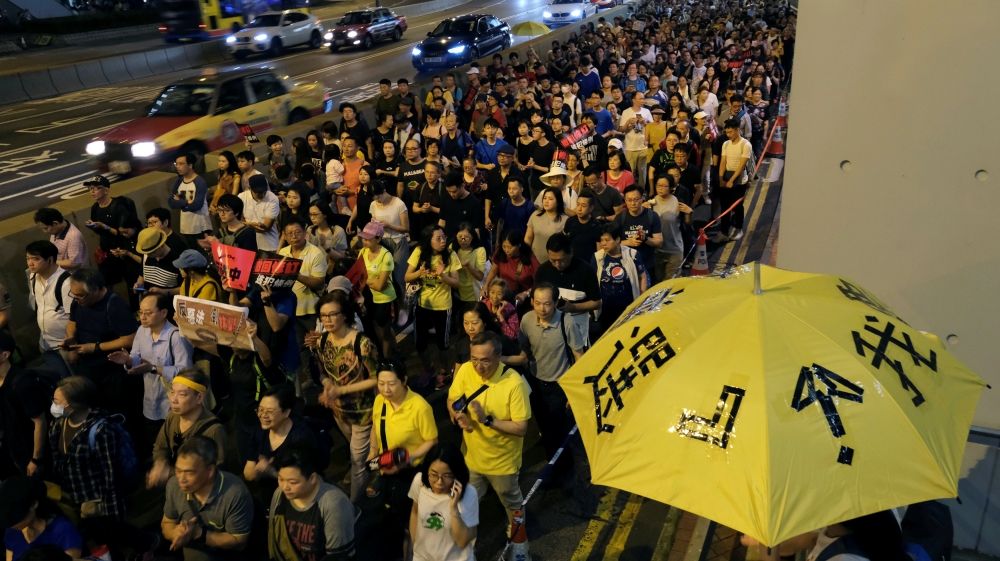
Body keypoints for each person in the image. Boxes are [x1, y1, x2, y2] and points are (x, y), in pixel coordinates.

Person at [446, 332, 530, 529]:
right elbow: (452, 400)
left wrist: (487, 420)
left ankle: (519, 543)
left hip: (502, 464)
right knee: (464, 507)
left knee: (513, 506)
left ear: (499, 357)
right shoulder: (466, 370)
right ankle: (466, 550)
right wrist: (458, 415)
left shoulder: (514, 384)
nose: (478, 366)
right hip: (471, 459)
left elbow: (521, 428)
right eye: (474, 359)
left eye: (485, 360)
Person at [309, 291, 379, 503]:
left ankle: (353, 505)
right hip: (339, 411)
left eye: (332, 314)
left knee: (358, 461)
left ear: (345, 314)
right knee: (354, 452)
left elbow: (376, 379)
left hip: (364, 412)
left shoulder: (362, 343)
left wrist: (340, 390)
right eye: (323, 316)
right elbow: (322, 372)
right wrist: (328, 384)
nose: (327, 320)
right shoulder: (321, 342)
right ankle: (371, 471)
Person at [514, 282, 584, 481]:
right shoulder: (527, 320)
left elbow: (579, 357)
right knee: (544, 427)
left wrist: (573, 391)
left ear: (555, 303)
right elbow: (524, 347)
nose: (542, 309)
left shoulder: (567, 323)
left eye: (547, 304)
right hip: (535, 383)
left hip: (559, 387)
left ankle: (564, 471)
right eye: (537, 303)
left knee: (558, 431)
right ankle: (555, 465)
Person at [107, 292, 192, 455]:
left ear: (164, 313)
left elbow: (185, 371)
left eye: (148, 313)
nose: (143, 317)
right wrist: (128, 360)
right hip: (151, 403)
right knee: (158, 446)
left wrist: (153, 368)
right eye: (140, 312)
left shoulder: (176, 336)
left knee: (180, 448)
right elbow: (137, 357)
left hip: (174, 403)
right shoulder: (142, 332)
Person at [369, 360, 437, 559]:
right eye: (381, 383)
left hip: (411, 472)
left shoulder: (419, 407)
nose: (385, 389)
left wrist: (408, 459)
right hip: (387, 466)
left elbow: (431, 440)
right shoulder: (380, 401)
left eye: (391, 384)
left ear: (404, 381)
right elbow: (375, 426)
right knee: (392, 511)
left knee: (413, 517)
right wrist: (374, 450)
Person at [162, 436, 253, 560]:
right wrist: (176, 533)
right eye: (178, 471)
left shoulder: (235, 493)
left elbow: (240, 542)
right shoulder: (173, 485)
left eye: (190, 473)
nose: (181, 479)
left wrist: (198, 533)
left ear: (210, 470)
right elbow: (167, 522)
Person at [62, 269, 138, 405]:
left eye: (80, 295)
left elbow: (130, 338)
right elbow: (72, 323)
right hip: (87, 368)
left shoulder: (115, 306)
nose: (76, 299)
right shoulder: (79, 302)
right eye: (74, 295)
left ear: (95, 289)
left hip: (112, 371)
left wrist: (96, 347)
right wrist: (71, 338)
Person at [269, 443, 356, 561]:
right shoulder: (279, 495)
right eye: (280, 479)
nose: (285, 487)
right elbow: (274, 538)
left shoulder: (334, 504)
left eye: (293, 482)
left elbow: (338, 558)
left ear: (312, 478)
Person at [148, 368, 229, 489]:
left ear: (199, 398)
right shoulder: (172, 418)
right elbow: (160, 447)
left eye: (182, 394)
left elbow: (217, 473)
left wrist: (171, 473)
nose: (173, 400)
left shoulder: (214, 430)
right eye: (172, 392)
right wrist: (160, 464)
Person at [405, 225, 461, 388]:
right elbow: (407, 276)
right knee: (420, 343)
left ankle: (444, 372)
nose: (443, 241)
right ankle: (429, 369)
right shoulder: (419, 252)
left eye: (444, 237)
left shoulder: (450, 255)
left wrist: (442, 274)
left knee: (443, 344)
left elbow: (456, 283)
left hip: (443, 306)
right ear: (428, 241)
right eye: (438, 238)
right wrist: (419, 274)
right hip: (422, 305)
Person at [277, 217, 328, 393]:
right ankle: (312, 378)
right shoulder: (283, 253)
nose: (294, 236)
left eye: (297, 232)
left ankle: (328, 377)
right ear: (284, 235)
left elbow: (319, 283)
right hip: (292, 311)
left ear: (305, 233)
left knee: (320, 345)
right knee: (302, 348)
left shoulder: (315, 253)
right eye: (289, 233)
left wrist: (294, 273)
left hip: (312, 309)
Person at [244, 384, 320, 496]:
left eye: (270, 411)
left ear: (286, 412)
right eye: (260, 410)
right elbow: (248, 473)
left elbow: (308, 479)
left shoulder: (301, 436)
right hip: (272, 497)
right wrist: (258, 471)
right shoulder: (258, 432)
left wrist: (273, 473)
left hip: (298, 497)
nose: (263, 415)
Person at [408, 443, 478, 561]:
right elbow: (414, 511)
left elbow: (462, 542)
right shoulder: (419, 482)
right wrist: (415, 545)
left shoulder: (469, 494)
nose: (439, 482)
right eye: (434, 475)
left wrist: (454, 508)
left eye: (447, 476)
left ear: (456, 474)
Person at [0, 332, 49, 479]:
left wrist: (36, 459)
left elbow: (40, 422)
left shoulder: (23, 383)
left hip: (30, 454)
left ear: (5, 355)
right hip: (13, 450)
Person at [0, 476, 83, 561]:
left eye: (15, 515)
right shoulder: (12, 530)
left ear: (34, 505)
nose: (10, 522)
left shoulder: (62, 530)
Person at [26, 241, 74, 378]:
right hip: (46, 344)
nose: (30, 263)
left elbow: (75, 317)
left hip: (65, 345)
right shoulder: (33, 277)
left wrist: (73, 344)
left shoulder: (66, 282)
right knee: (62, 382)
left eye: (35, 259)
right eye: (28, 258)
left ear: (50, 259)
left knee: (77, 381)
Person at [84, 175, 137, 291]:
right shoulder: (95, 207)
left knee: (131, 283)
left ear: (106, 190)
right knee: (104, 285)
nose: (92, 192)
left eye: (97, 188)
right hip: (106, 253)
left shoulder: (118, 206)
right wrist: (93, 226)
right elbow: (100, 231)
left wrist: (105, 227)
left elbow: (125, 232)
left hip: (121, 251)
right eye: (90, 189)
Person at [592, 224, 648, 332]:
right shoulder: (597, 257)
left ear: (617, 239)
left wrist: (642, 300)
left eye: (607, 240)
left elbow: (642, 276)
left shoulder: (633, 254)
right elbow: (592, 280)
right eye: (602, 240)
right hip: (605, 309)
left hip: (627, 307)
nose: (603, 243)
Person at [358, 223, 398, 359]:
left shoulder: (386, 256)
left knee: (384, 332)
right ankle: (395, 348)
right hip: (369, 297)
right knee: (377, 327)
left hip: (384, 298)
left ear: (378, 239)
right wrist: (371, 281)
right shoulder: (362, 252)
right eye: (363, 238)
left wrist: (366, 279)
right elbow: (359, 275)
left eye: (368, 238)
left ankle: (386, 360)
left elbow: (381, 286)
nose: (364, 241)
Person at [611, 184, 663, 282]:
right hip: (625, 265)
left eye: (636, 199)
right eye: (629, 200)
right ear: (625, 201)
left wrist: (645, 238)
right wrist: (628, 242)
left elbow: (659, 242)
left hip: (647, 265)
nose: (633, 203)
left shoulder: (652, 216)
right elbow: (612, 243)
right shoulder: (620, 218)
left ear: (643, 198)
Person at [646, 174, 692, 281]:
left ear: (671, 188)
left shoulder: (678, 202)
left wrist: (689, 213)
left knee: (672, 283)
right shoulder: (651, 202)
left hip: (674, 249)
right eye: (658, 185)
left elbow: (688, 223)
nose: (660, 188)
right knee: (658, 281)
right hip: (657, 250)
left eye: (664, 186)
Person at [368, 181, 411, 288]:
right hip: (382, 242)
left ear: (384, 191)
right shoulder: (373, 205)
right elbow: (373, 221)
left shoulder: (399, 204)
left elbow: (406, 228)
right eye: (375, 199)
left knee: (398, 277)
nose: (377, 201)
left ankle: (402, 302)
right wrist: (375, 225)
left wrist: (389, 225)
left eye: (378, 197)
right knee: (384, 277)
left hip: (398, 242)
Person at [481, 230, 539, 308]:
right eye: (504, 246)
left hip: (523, 301)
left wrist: (526, 294)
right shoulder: (500, 253)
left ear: (519, 245)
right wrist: (486, 286)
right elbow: (493, 270)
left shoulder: (530, 259)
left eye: (510, 247)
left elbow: (540, 283)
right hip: (503, 298)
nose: (506, 250)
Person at [717, 117, 752, 241]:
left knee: (737, 206)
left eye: (730, 132)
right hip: (726, 178)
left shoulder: (745, 144)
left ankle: (739, 229)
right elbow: (723, 162)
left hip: (739, 181)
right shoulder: (726, 144)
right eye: (727, 132)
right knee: (725, 206)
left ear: (738, 130)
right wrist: (721, 178)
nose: (728, 135)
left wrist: (732, 180)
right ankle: (724, 231)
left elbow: (742, 165)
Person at [168, 153, 213, 249]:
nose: (178, 167)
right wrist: (186, 202)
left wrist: (180, 202)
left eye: (181, 164)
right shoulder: (179, 181)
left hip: (200, 225)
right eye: (177, 164)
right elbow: (171, 203)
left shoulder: (199, 182)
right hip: (186, 225)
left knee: (205, 253)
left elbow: (197, 205)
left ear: (190, 165)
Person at [618, 91, 653, 189]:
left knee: (642, 171)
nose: (643, 100)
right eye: (640, 99)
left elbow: (652, 127)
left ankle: (642, 191)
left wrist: (645, 123)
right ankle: (631, 190)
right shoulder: (626, 112)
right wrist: (629, 122)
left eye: (643, 98)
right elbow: (622, 129)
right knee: (631, 171)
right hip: (630, 147)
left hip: (643, 146)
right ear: (634, 100)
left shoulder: (647, 112)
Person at [525, 187, 567, 265]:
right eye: (544, 198)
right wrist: (525, 254)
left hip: (553, 262)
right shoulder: (535, 215)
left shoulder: (565, 220)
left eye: (550, 199)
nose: (546, 201)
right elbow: (528, 237)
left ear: (558, 201)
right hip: (534, 260)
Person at [438, 172, 485, 241]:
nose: (451, 194)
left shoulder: (474, 203)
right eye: (449, 191)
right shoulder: (445, 198)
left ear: (462, 186)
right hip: (449, 241)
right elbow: (442, 221)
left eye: (454, 191)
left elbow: (476, 230)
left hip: (465, 243)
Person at [134, 227, 183, 293]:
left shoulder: (178, 260)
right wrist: (139, 283)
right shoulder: (146, 255)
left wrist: (165, 292)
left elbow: (185, 288)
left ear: (161, 245)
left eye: (152, 252)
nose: (148, 255)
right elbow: (142, 276)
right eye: (147, 253)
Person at [239, 175, 280, 251]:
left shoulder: (273, 198)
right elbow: (238, 222)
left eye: (264, 191)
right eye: (258, 192)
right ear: (249, 188)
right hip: (249, 245)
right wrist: (250, 224)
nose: (262, 194)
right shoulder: (241, 198)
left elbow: (266, 227)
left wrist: (247, 225)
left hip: (270, 245)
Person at [563, 190, 604, 262]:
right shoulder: (570, 221)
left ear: (591, 208)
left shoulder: (597, 226)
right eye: (578, 204)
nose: (579, 208)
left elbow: (599, 252)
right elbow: (564, 242)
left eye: (583, 206)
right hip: (571, 262)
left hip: (588, 264)